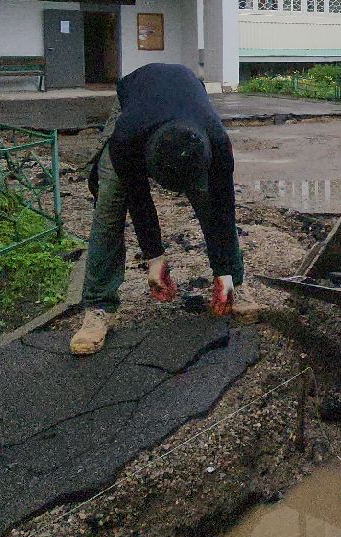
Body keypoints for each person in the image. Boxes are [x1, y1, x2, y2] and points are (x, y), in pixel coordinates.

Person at [71, 63, 247, 356]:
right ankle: (98, 305)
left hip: (189, 104)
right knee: (110, 205)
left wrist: (225, 271)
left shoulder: (216, 140)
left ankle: (234, 284)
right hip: (136, 101)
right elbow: (138, 198)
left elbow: (224, 208)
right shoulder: (126, 138)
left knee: (208, 198)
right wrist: (155, 259)